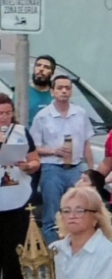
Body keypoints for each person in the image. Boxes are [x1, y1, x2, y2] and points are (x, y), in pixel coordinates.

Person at [30, 75, 95, 242]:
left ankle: (77, 250)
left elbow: (86, 143)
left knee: (80, 211)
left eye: (67, 88)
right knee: (52, 215)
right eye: (60, 88)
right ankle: (54, 257)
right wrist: (53, 150)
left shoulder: (80, 113)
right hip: (52, 169)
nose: (64, 91)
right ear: (52, 91)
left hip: (75, 168)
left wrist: (91, 170)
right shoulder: (43, 116)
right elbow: (33, 148)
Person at [0, 93, 38, 279]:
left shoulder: (21, 132)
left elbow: (35, 160)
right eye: (0, 113)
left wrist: (28, 166)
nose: (4, 117)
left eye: (8, 112)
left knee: (14, 253)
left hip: (17, 199)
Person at [50, 186, 112, 279]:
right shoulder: (55, 249)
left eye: (79, 211)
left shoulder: (106, 252)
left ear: (96, 217)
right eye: (66, 211)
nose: (72, 216)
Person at [27, 55, 56, 127]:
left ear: (52, 73)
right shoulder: (23, 92)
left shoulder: (56, 94)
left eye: (46, 67)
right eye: (38, 65)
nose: (41, 69)